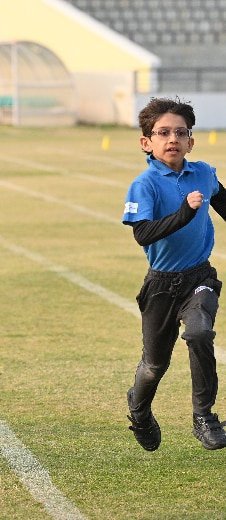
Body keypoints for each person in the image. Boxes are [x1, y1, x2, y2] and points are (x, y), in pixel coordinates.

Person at [123, 97, 226, 451]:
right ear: (146, 142)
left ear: (191, 141)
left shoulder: (204, 173)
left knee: (199, 332)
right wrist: (184, 213)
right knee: (154, 365)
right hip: (161, 283)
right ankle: (139, 411)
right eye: (163, 132)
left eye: (180, 132)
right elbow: (143, 234)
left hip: (200, 276)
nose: (173, 139)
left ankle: (204, 417)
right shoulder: (145, 184)